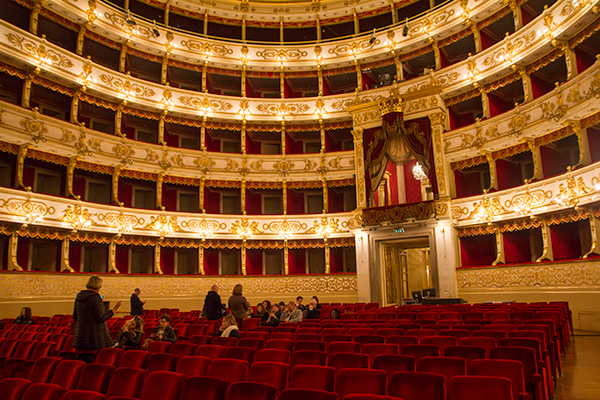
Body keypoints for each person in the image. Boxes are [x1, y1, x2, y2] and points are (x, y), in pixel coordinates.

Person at [73, 276, 122, 363]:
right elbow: (100, 318)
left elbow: (75, 317)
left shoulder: (79, 296)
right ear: (98, 286)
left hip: (81, 334)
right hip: (93, 335)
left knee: (84, 360)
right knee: (93, 362)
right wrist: (113, 311)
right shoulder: (95, 297)